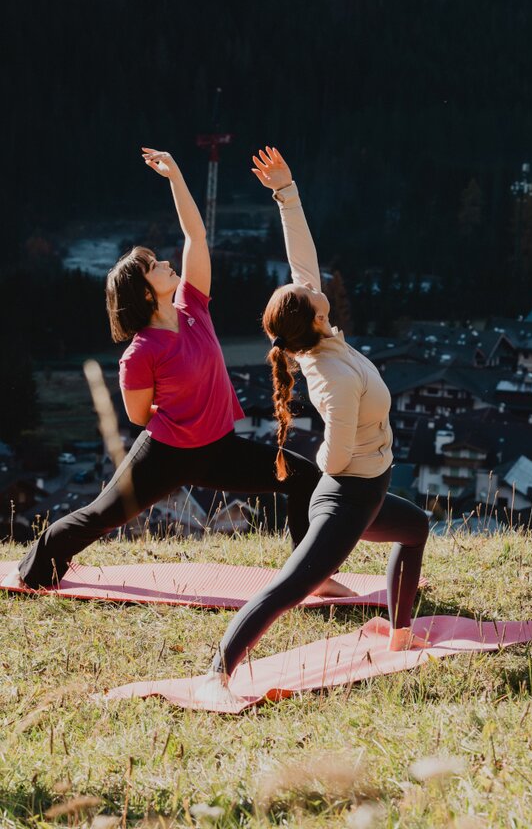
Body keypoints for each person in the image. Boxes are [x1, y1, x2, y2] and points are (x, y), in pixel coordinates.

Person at [2, 149, 348, 596]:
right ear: (145, 294)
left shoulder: (193, 307)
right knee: (101, 516)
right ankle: (32, 576)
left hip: (219, 447)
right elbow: (140, 416)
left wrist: (176, 177)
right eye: (154, 267)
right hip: (165, 454)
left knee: (302, 478)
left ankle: (312, 576)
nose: (166, 264)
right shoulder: (140, 352)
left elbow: (196, 237)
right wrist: (181, 434)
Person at [195, 146, 429, 703]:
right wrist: (330, 471)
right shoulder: (329, 374)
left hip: (367, 491)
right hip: (347, 498)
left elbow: (303, 260)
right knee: (290, 587)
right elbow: (336, 456)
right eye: (311, 293)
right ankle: (216, 673)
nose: (314, 284)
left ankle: (400, 637)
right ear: (313, 315)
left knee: (415, 528)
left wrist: (287, 193)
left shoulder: (320, 334)